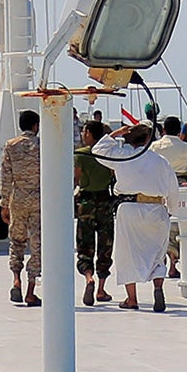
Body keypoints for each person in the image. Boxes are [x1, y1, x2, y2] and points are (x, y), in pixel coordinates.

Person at [94, 123, 179, 312]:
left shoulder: (123, 156)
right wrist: (171, 210)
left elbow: (98, 149)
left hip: (129, 208)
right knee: (157, 253)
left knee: (127, 254)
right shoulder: (161, 161)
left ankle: (131, 299)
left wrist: (118, 133)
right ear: (148, 140)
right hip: (156, 208)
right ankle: (158, 287)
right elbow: (173, 189)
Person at [152, 117, 187, 279]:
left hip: (159, 186)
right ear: (179, 132)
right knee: (177, 225)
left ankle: (159, 264)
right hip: (180, 186)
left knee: (159, 225)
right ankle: (173, 264)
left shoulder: (154, 147)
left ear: (163, 130)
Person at [0, 109, 43, 306]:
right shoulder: (43, 145)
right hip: (38, 200)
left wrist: (3, 204)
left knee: (16, 241)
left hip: (17, 200)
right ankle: (31, 290)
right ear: (36, 126)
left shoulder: (10, 146)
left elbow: (6, 177)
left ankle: (16, 281)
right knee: (37, 245)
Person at [73, 119, 116, 305]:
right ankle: (100, 288)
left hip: (86, 202)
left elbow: (76, 179)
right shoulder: (109, 154)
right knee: (105, 245)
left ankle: (88, 277)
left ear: (89, 133)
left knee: (85, 244)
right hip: (105, 201)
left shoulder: (80, 155)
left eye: (84, 131)